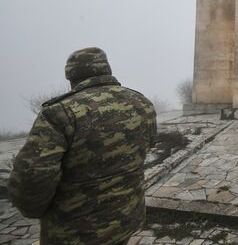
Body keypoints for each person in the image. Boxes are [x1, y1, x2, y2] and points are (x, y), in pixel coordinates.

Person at [9, 47, 157, 245]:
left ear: (70, 75)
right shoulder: (142, 103)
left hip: (76, 232)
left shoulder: (59, 114)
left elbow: (32, 178)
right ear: (107, 70)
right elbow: (147, 146)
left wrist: (32, 210)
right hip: (126, 218)